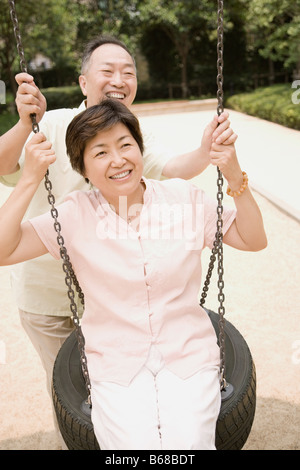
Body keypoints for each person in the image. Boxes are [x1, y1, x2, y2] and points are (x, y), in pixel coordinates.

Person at [0, 35, 237, 442]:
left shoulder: (132, 132)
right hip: (49, 294)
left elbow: (176, 167)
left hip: (119, 299)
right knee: (75, 398)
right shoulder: (52, 124)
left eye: (129, 71)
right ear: (82, 82)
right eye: (107, 70)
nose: (120, 79)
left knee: (146, 395)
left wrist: (205, 150)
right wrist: (25, 125)